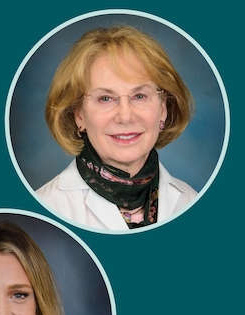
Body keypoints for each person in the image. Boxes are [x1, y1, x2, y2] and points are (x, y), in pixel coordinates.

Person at [37, 25, 197, 230]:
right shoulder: (48, 208)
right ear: (79, 115)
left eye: (139, 96)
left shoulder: (190, 200)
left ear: (163, 109)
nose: (125, 116)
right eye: (105, 98)